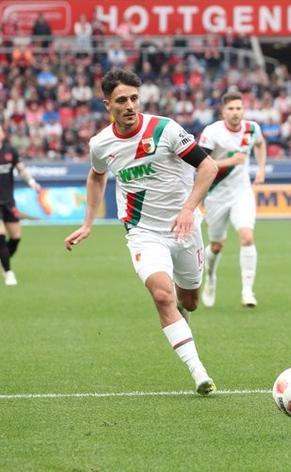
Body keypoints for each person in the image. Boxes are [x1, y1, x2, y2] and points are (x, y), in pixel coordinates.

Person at [63, 69, 218, 396]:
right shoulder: (100, 144)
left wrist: (188, 209)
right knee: (162, 295)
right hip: (143, 232)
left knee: (190, 300)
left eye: (134, 98)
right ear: (107, 104)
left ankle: (182, 311)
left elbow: (208, 167)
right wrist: (88, 223)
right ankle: (199, 371)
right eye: (122, 100)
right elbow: (96, 176)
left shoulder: (165, 129)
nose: (130, 105)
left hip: (184, 229)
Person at [198, 91, 267, 309]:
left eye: (239, 108)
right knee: (217, 245)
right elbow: (199, 164)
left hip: (241, 193)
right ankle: (210, 277)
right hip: (216, 194)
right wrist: (229, 162)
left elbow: (260, 144)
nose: (235, 112)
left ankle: (247, 291)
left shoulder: (252, 129)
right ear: (223, 112)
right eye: (231, 109)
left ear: (243, 110)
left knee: (247, 237)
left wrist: (261, 169)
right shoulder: (212, 133)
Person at [0, 126, 42, 286]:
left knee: (16, 238)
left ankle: (4, 261)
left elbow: (21, 169)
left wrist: (32, 182)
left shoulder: (10, 151)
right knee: (1, 235)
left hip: (8, 202)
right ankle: (8, 272)